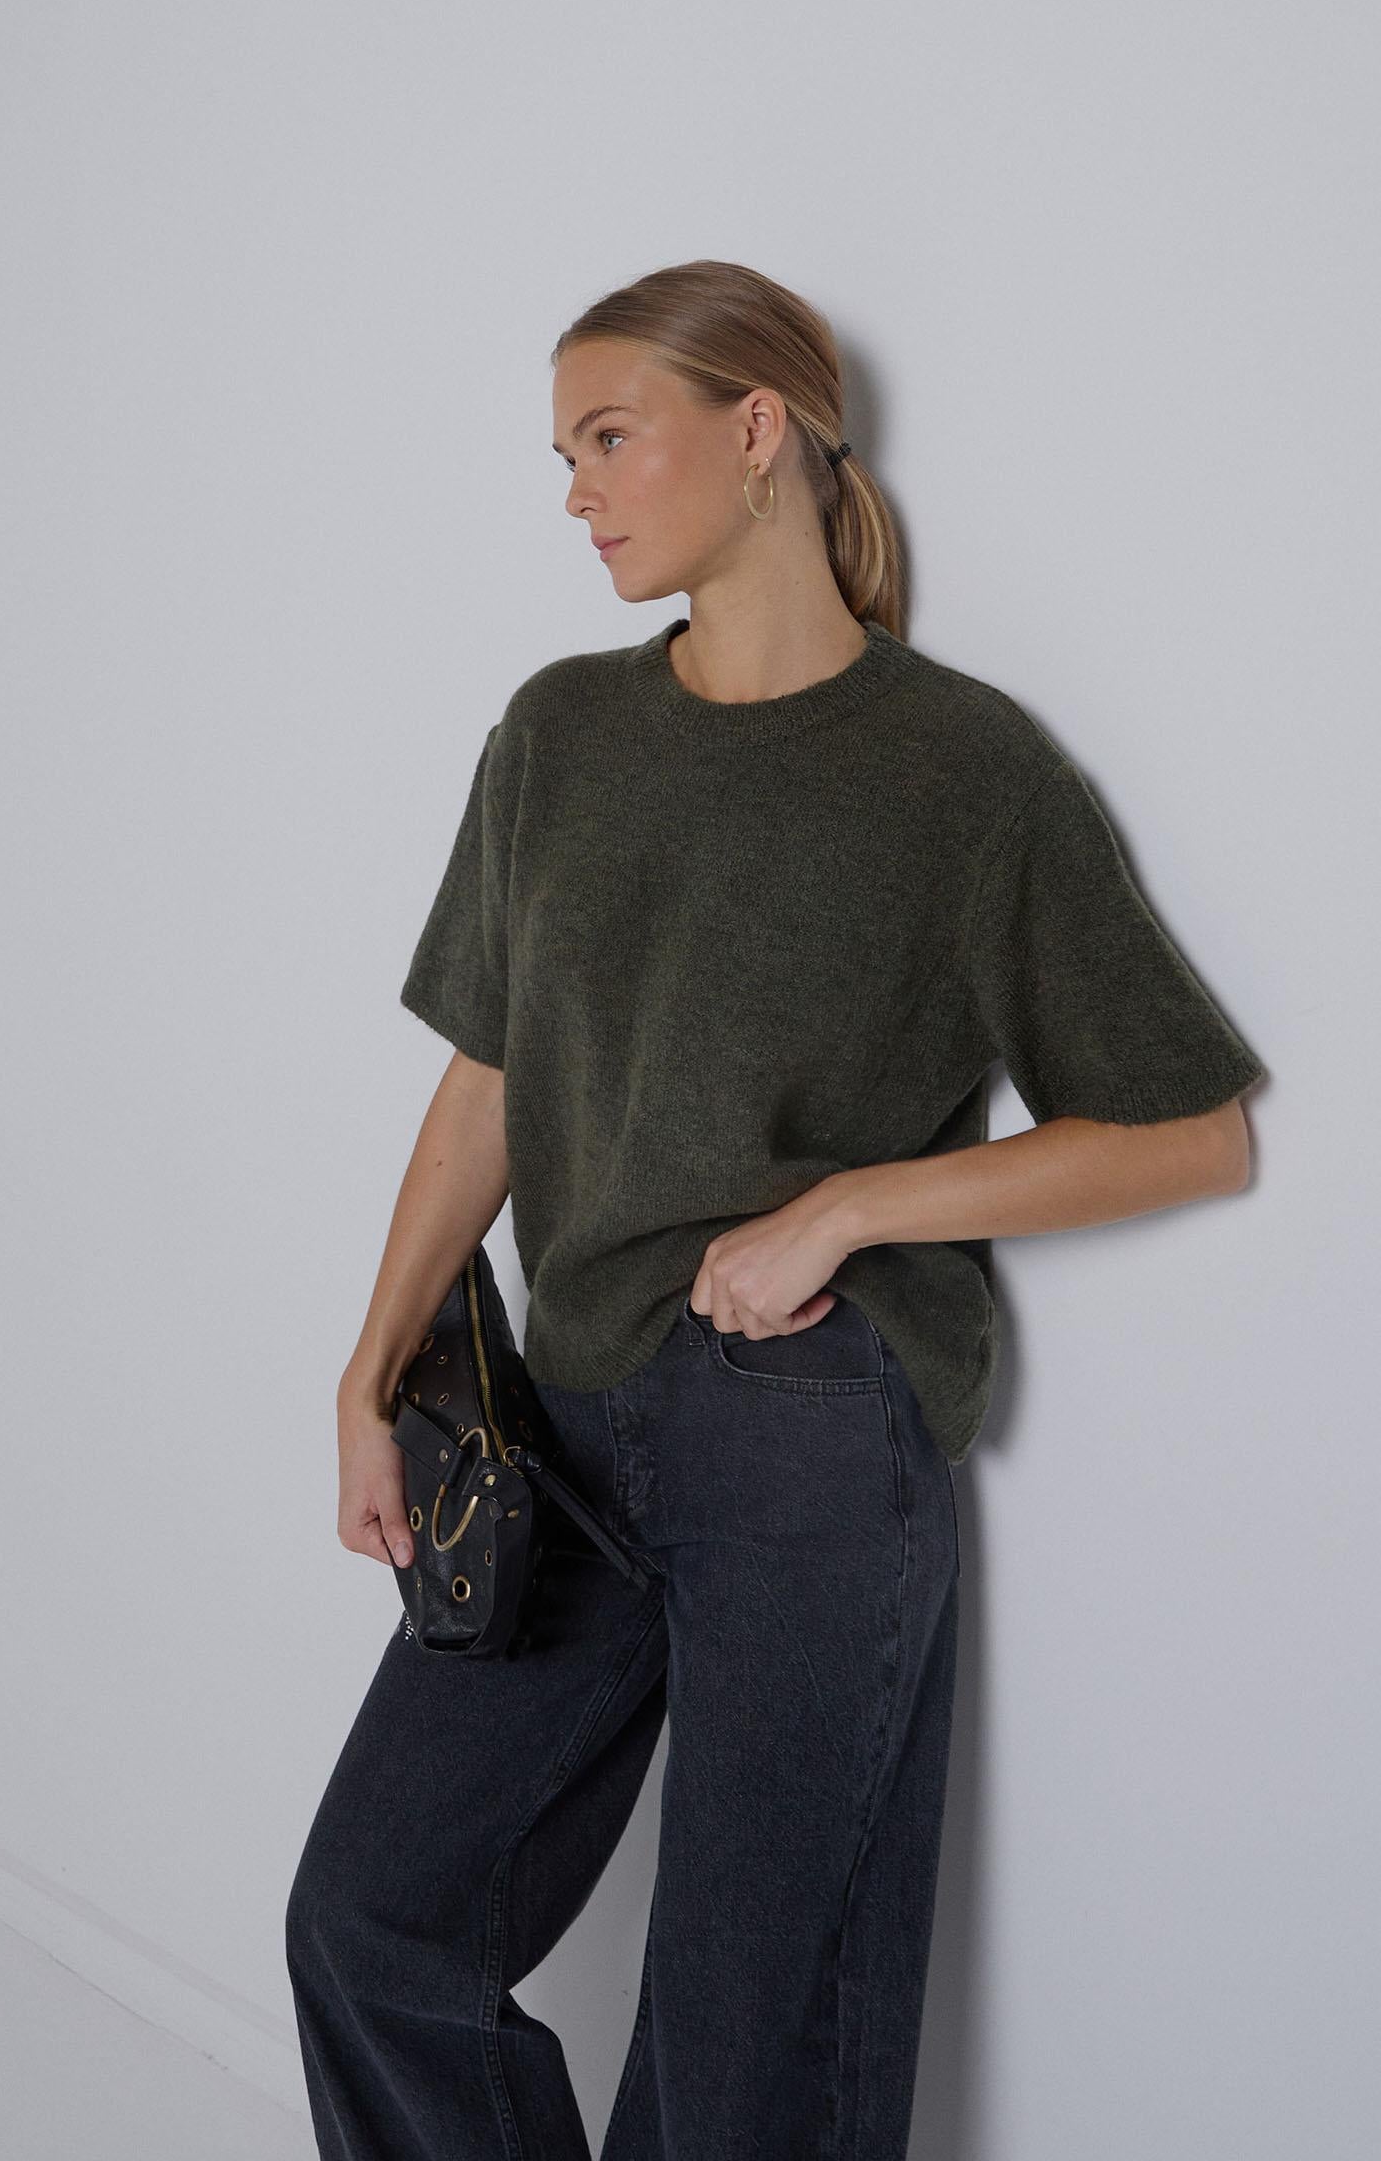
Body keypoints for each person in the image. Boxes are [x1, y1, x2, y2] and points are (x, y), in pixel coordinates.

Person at [284, 259, 1266, 2159]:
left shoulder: (962, 770)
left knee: (747, 2061)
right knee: (373, 1924)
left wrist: (853, 1209)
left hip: (807, 1438)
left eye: (608, 437)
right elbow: (490, 1080)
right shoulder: (558, 734)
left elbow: (1189, 1131)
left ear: (757, 435)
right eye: (564, 457)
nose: (578, 491)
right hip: (559, 1428)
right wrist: (369, 1367)